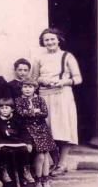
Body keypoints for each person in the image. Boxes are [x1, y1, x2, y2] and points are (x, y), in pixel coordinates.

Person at [31, 28, 82, 176]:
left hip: (62, 95)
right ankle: (55, 162)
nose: (50, 42)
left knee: (63, 128)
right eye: (46, 40)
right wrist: (42, 80)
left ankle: (62, 164)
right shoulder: (39, 58)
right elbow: (33, 79)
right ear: (43, 42)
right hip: (44, 96)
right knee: (48, 130)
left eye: (52, 39)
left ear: (59, 40)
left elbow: (78, 78)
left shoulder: (67, 56)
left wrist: (63, 82)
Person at [15, 78, 58, 187]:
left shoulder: (40, 99)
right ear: (21, 88)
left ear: (35, 88)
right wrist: (35, 111)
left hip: (42, 129)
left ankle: (45, 180)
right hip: (28, 130)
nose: (27, 89)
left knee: (45, 154)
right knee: (41, 156)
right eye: (25, 87)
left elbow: (45, 113)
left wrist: (29, 112)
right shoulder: (19, 100)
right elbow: (20, 113)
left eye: (30, 87)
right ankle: (38, 180)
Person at [0, 97, 34, 186]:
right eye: (2, 108)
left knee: (24, 150)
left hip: (17, 141)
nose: (4, 110)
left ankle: (26, 171)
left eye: (6, 108)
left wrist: (28, 143)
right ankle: (4, 171)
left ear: (12, 109)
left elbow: (24, 131)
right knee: (2, 151)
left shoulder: (17, 118)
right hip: (3, 141)